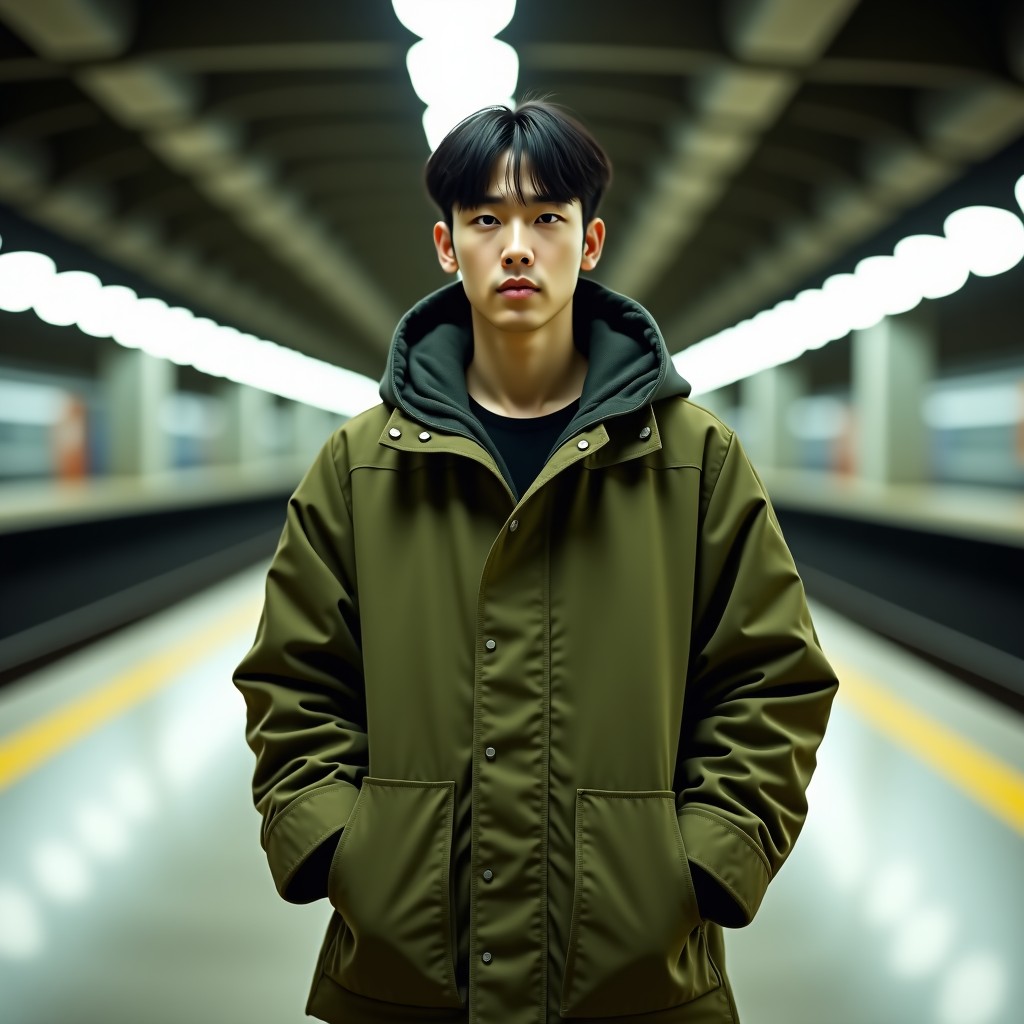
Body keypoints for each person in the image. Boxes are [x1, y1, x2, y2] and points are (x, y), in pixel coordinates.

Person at [233, 100, 838, 1024]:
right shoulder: (360, 466)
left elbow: (774, 676)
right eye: (486, 220)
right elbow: (292, 677)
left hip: (636, 975)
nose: (517, 246)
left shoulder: (693, 460)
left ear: (589, 242)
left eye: (546, 219)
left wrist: (708, 860)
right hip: (404, 973)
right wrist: (335, 848)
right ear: (447, 246)